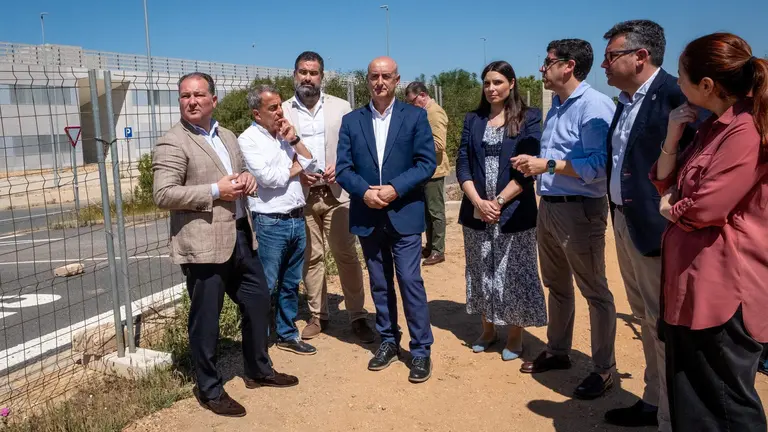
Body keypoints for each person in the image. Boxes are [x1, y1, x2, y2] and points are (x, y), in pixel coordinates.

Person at [153, 73, 298, 417]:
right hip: (203, 245)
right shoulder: (173, 142)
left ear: (213, 100)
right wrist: (216, 191)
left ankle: (258, 369)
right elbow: (163, 194)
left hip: (240, 236)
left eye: (199, 95)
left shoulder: (227, 136)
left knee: (259, 300)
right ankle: (209, 388)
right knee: (207, 320)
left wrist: (246, 179)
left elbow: (242, 172)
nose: (191, 101)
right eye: (185, 96)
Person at [650, 32, 768, 431]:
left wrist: (671, 209)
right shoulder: (710, 127)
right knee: (694, 399)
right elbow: (666, 182)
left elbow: (705, 208)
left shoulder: (746, 130)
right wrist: (672, 133)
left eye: (681, 77)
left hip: (723, 290)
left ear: (706, 85)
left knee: (725, 404)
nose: (676, 84)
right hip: (692, 283)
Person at [600, 20, 695, 430]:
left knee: (662, 325)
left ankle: (671, 417)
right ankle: (653, 401)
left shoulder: (676, 96)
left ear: (640, 56)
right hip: (623, 223)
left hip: (657, 232)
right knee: (643, 317)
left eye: (611, 56)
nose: (603, 64)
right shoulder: (624, 100)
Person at [512, 39, 617, 400]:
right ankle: (558, 351)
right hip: (552, 205)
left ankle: (604, 370)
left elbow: (600, 166)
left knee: (595, 291)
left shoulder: (594, 107)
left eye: (548, 62)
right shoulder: (556, 105)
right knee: (556, 285)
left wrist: (548, 165)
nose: (542, 68)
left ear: (568, 66)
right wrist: (536, 166)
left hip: (580, 210)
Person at [336, 56, 437, 383]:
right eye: (374, 76)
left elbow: (426, 164)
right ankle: (389, 341)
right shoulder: (352, 121)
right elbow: (343, 169)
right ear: (367, 79)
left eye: (386, 76)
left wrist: (394, 188)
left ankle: (421, 349)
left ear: (397, 80)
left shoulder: (416, 117)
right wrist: (365, 192)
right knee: (379, 282)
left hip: (403, 212)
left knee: (409, 281)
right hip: (368, 213)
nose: (380, 82)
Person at [280, 51, 375, 343]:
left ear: (322, 76)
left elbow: (355, 145)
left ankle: (357, 315)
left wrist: (343, 168)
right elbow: (276, 152)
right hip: (302, 193)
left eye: (314, 72)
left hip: (337, 192)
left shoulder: (341, 107)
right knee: (311, 257)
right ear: (294, 75)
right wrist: (296, 172)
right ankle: (318, 315)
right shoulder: (282, 110)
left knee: (346, 254)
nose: (308, 77)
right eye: (302, 72)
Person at [456, 61, 547, 361]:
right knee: (481, 269)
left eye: (497, 82)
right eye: (486, 83)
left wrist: (497, 203)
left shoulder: (529, 118)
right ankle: (488, 329)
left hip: (513, 210)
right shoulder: (473, 119)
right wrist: (478, 202)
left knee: (515, 272)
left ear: (511, 83)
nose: (491, 88)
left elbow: (527, 169)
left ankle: (515, 334)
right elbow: (463, 165)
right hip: (477, 210)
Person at [238, 84, 317, 356]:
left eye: (280, 105)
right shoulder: (248, 139)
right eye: (272, 108)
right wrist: (297, 167)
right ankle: (258, 341)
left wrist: (294, 141)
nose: (280, 112)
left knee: (291, 282)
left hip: (297, 217)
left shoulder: (286, 135)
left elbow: (312, 163)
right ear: (257, 114)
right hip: (271, 222)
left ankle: (286, 334)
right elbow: (268, 178)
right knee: (266, 285)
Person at [405, 81, 449, 266]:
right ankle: (431, 246)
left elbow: (439, 144)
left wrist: (414, 147)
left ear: (422, 95)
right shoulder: (425, 112)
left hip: (435, 170)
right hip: (426, 170)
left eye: (413, 101)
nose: (412, 105)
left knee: (435, 211)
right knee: (428, 212)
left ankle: (438, 250)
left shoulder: (434, 112)